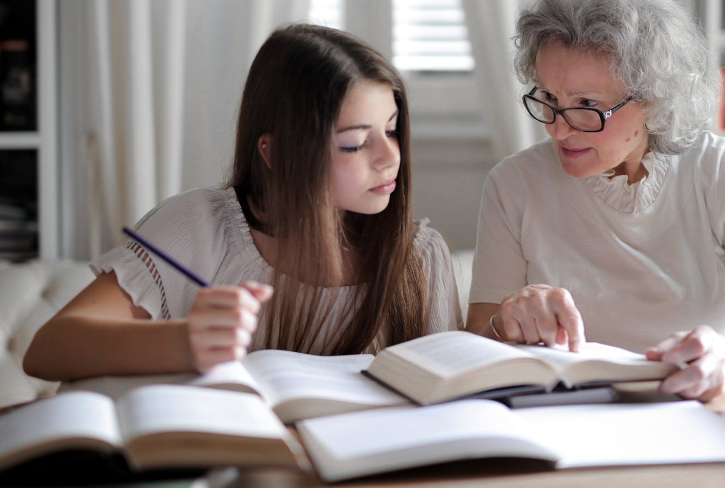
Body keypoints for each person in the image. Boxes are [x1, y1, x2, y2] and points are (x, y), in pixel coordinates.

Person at [465, 0, 725, 400]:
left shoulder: (720, 172)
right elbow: (471, 349)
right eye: (549, 99)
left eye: (587, 106)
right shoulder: (513, 184)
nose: (558, 129)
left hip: (708, 410)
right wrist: (505, 323)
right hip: (569, 417)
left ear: (652, 99)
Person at [24, 24, 462, 381]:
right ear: (275, 153)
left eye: (391, 129)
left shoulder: (420, 257)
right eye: (354, 143)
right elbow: (49, 349)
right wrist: (184, 341)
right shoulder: (198, 228)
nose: (390, 158)